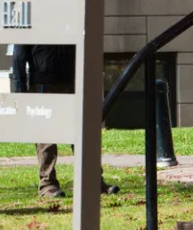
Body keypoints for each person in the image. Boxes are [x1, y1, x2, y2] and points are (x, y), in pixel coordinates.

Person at [11, 44, 122, 198]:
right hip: (44, 85)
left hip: (73, 83)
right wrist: (20, 92)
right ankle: (47, 184)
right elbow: (18, 57)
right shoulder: (32, 22)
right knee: (46, 138)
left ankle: (94, 182)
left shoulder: (69, 21)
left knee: (83, 135)